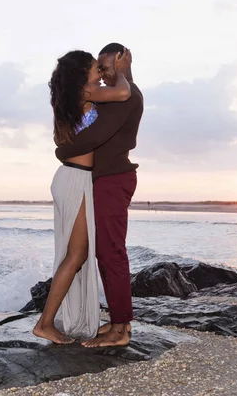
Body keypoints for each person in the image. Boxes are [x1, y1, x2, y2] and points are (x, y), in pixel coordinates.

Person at [33, 48, 133, 344]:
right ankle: (45, 323)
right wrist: (121, 70)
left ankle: (51, 320)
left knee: (76, 254)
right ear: (82, 76)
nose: (100, 75)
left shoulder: (70, 99)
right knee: (76, 255)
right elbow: (123, 93)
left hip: (71, 177)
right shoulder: (88, 94)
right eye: (95, 69)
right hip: (76, 178)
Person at [55, 42, 144, 347]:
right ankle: (119, 321)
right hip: (102, 180)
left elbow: (93, 137)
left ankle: (121, 330)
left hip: (113, 179)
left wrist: (61, 151)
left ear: (121, 61)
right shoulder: (115, 96)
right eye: (100, 69)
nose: (103, 75)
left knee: (111, 253)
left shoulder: (128, 96)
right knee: (104, 252)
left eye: (106, 68)